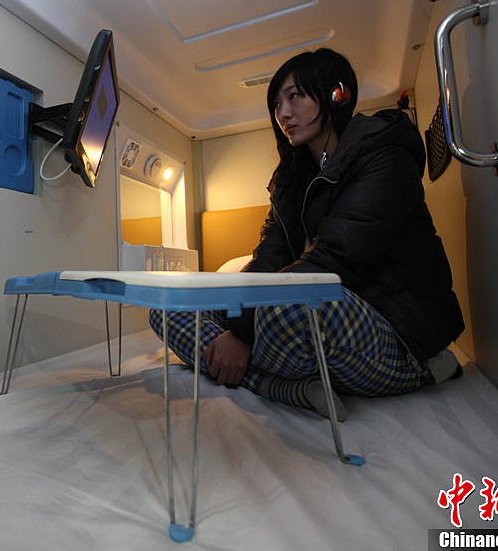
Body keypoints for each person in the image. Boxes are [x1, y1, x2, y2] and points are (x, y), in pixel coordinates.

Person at [149, 48, 465, 420]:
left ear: (336, 94)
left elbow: (336, 259)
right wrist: (237, 321)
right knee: (167, 300)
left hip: (398, 335)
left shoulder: (384, 154)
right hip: (315, 326)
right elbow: (268, 258)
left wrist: (241, 335)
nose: (282, 113)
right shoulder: (291, 182)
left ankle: (422, 371)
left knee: (290, 304)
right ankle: (279, 385)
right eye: (277, 104)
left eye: (294, 96)